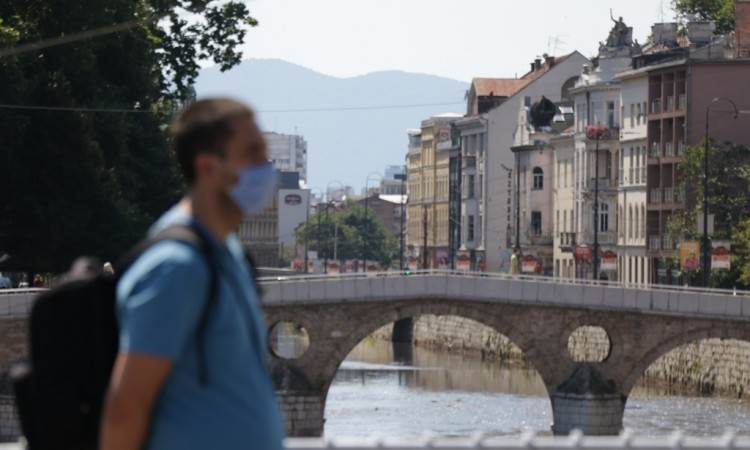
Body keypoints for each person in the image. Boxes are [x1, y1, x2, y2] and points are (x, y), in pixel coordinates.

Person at [100, 99, 284, 450]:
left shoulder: (226, 253)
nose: (266, 168)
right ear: (208, 167)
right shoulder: (177, 267)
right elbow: (126, 407)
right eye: (253, 153)